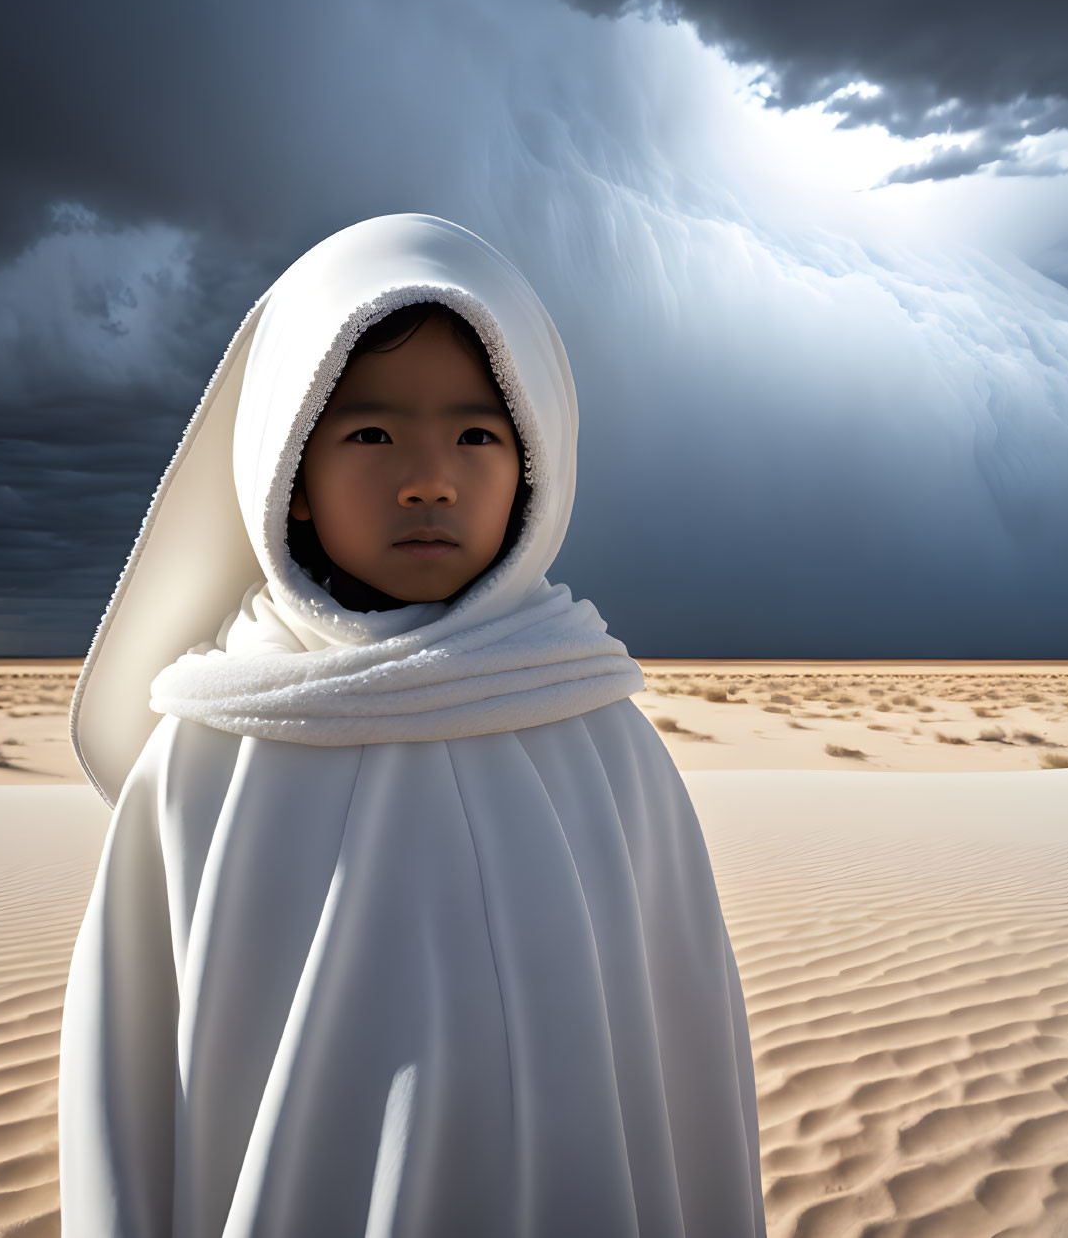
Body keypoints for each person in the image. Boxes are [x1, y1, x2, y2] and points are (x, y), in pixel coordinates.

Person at [60, 213, 765, 1237]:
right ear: (287, 474)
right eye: (370, 432)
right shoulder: (207, 752)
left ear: (534, 463)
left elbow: (686, 1079)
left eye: (477, 433)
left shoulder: (603, 743)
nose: (428, 477)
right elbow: (126, 1099)